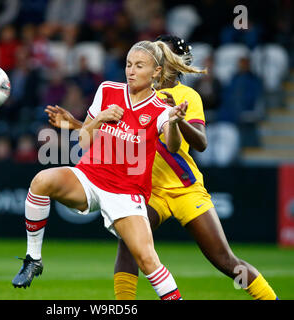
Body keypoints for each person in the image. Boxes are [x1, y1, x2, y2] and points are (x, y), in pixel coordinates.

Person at [45, 35, 278, 300]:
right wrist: (77, 124)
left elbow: (200, 143)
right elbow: (113, 133)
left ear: (169, 64)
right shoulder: (132, 92)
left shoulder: (186, 95)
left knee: (224, 259)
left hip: (185, 189)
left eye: (160, 54)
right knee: (129, 247)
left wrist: (175, 117)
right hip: (148, 190)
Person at [12, 39, 205, 300]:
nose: (131, 71)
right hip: (89, 178)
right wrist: (100, 118)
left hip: (126, 194)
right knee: (41, 180)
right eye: (128, 64)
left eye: (139, 65)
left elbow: (172, 147)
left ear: (156, 72)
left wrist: (174, 121)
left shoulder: (160, 109)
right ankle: (33, 259)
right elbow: (83, 141)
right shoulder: (107, 90)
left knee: (148, 261)